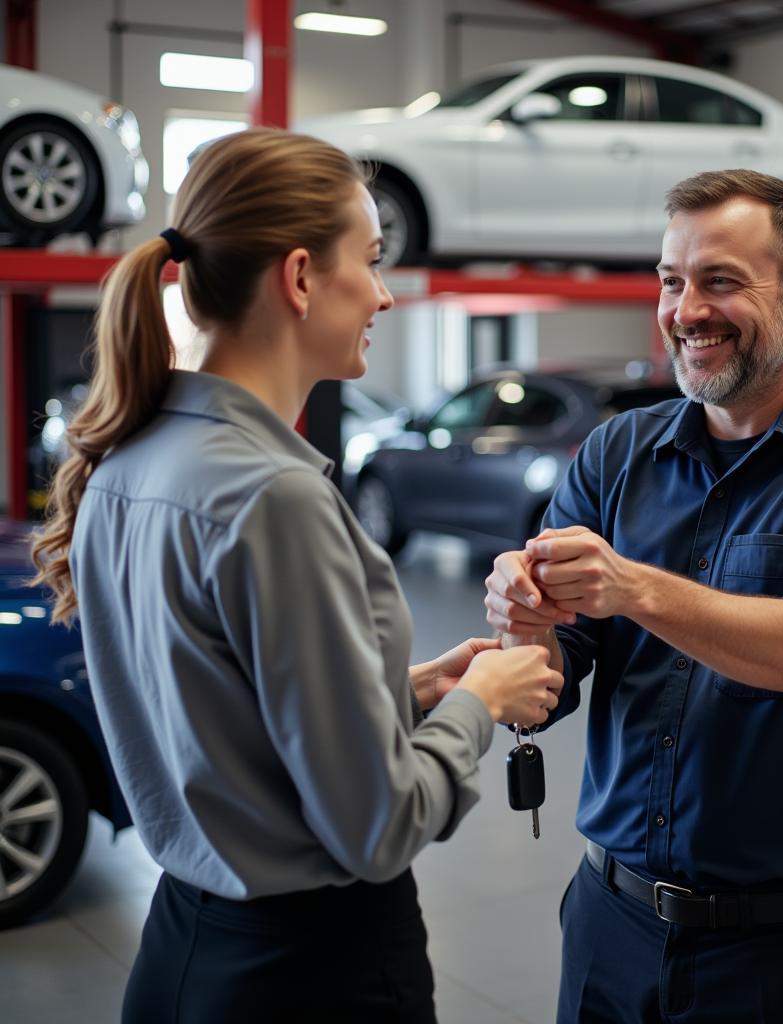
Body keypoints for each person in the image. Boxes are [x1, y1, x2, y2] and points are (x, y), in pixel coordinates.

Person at [30, 127, 563, 1024]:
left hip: (183, 955)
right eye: (373, 259)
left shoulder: (129, 463)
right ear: (302, 276)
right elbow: (379, 827)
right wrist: (485, 704)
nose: (386, 296)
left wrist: (405, 694)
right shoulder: (274, 496)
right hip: (311, 976)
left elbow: (225, 718)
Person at [485, 169, 783, 1024]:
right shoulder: (615, 453)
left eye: (722, 281)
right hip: (609, 923)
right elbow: (553, 679)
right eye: (672, 280)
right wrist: (527, 620)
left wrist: (630, 586)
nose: (687, 309)